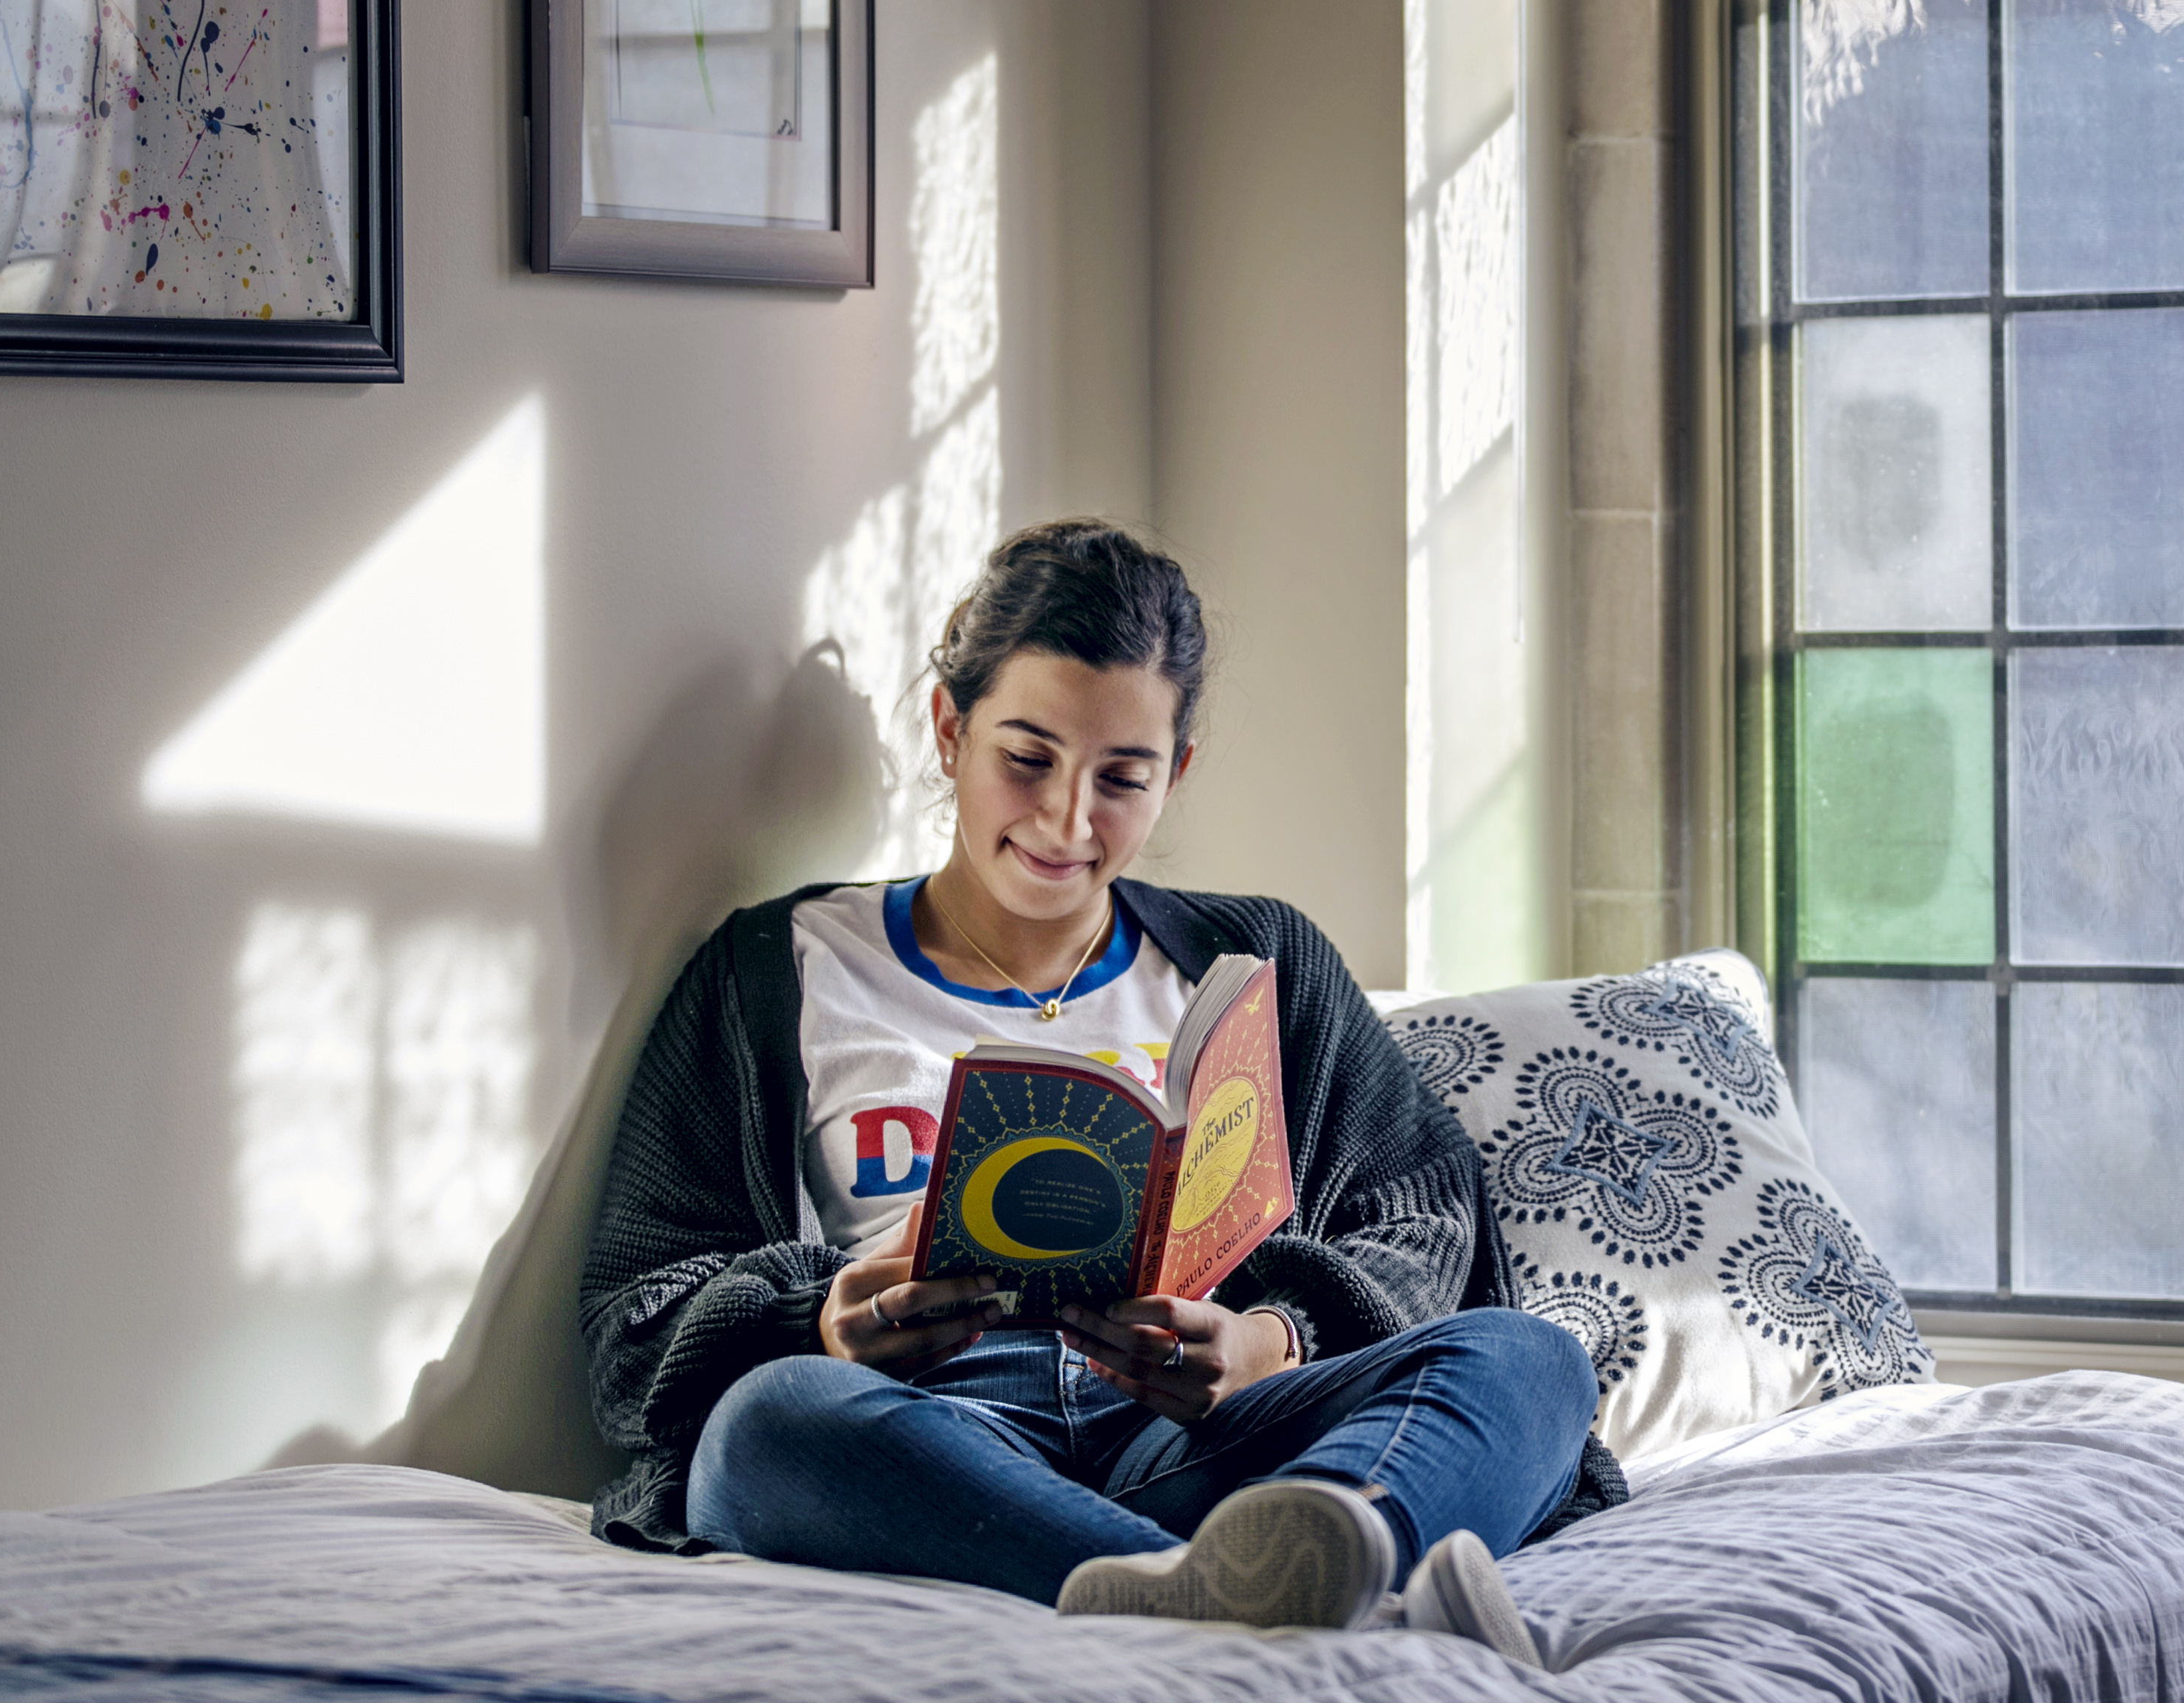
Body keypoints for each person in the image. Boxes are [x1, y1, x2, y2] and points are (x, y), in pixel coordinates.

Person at [580, 519, 1619, 1657]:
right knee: (767, 1427)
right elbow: (636, 1310)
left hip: (1204, 1438)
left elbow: (1424, 1218)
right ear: (949, 730)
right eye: (1026, 759)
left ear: (1175, 774)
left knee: (1533, 1362)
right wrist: (818, 1321)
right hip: (929, 1440)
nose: (1068, 822)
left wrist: (1271, 1338)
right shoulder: (772, 971)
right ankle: (1268, 1592)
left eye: (1121, 778)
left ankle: (1298, 1550)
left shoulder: (1260, 962)